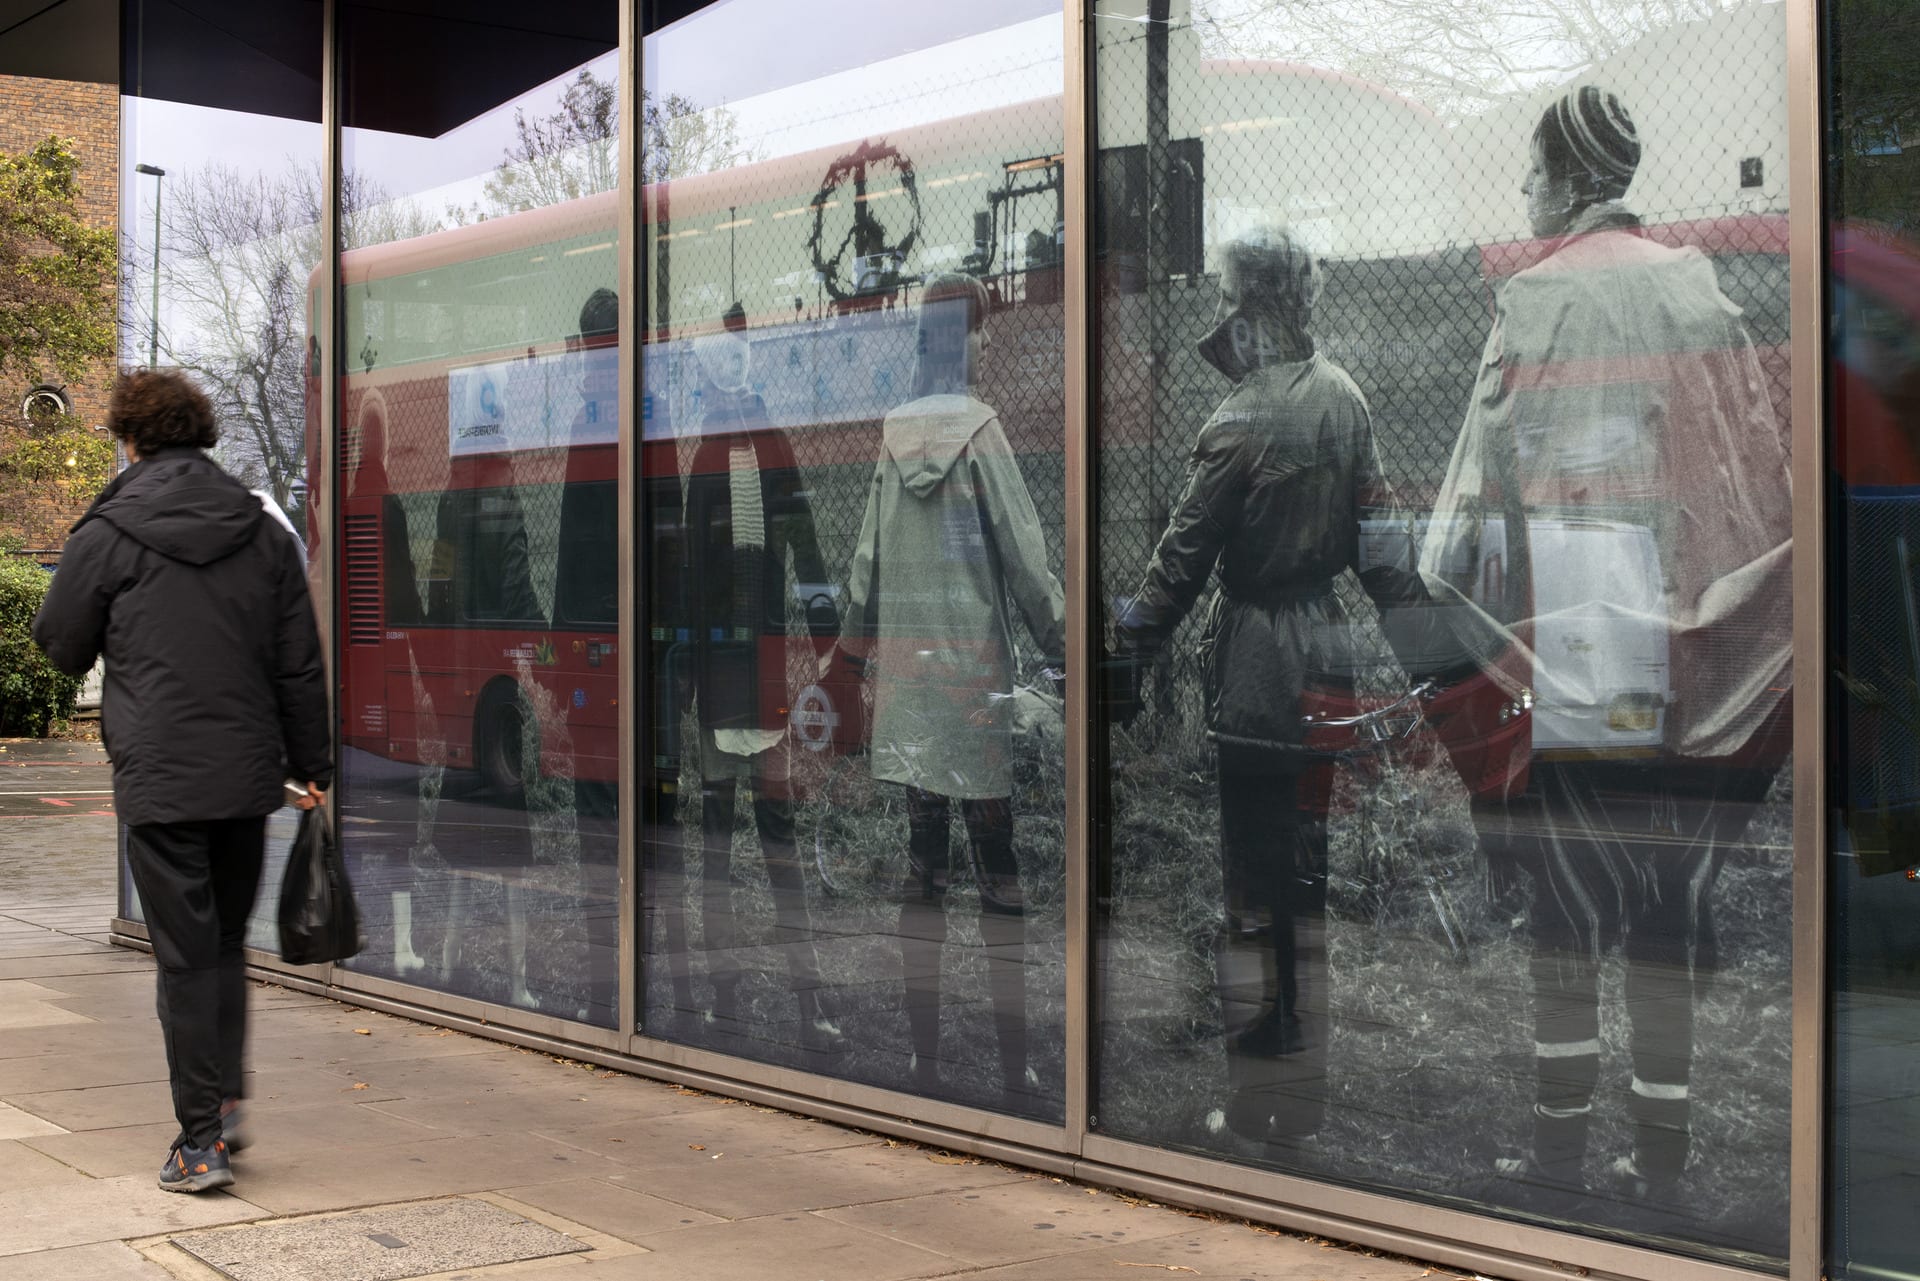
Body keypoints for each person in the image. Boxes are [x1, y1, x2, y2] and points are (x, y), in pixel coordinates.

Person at [1423, 86, 1792, 1203]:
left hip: (1573, 649)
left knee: (1566, 905)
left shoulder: (1529, 306)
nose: (1523, 193)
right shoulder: (1696, 288)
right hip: (1685, 647)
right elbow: (1755, 468)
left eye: (1532, 172)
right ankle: (1666, 1162)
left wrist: (1453, 598)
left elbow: (1469, 510)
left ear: (1571, 179)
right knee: (1669, 902)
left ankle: (1559, 1162)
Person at [1111, 225, 1425, 1146]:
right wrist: (1441, 668)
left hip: (1254, 667)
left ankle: (1255, 1096)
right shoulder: (1347, 401)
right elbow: (1387, 561)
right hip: (1325, 663)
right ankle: (1309, 1090)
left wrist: (1122, 657)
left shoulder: (1239, 418)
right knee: (1308, 880)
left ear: (1248, 304)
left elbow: (1179, 565)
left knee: (1250, 887)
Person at [31, 369, 330, 1194]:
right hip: (244, 777)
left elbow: (58, 641)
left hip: (160, 776)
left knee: (185, 957)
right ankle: (224, 1099)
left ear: (130, 438)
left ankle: (201, 1140)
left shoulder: (109, 530)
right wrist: (314, 766)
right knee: (223, 944)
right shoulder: (261, 529)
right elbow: (299, 663)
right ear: (202, 436)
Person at [841, 271, 1064, 1107]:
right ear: (959, 339)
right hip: (973, 682)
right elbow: (1028, 561)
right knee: (998, 865)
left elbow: (864, 566)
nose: (985, 342)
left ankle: (924, 1057)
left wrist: (851, 656)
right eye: (978, 329)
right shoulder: (983, 434)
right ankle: (1017, 1063)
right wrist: (1074, 649)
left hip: (910, 683)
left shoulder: (893, 438)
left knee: (923, 865)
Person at [677, 304, 846, 1056]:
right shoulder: (705, 459)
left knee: (776, 839)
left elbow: (807, 550)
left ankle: (810, 1002)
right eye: (725, 356)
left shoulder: (770, 447)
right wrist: (681, 688)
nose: (734, 367)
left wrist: (832, 648)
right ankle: (720, 997)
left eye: (743, 354)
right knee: (717, 843)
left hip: (766, 680)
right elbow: (685, 583)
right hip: (721, 681)